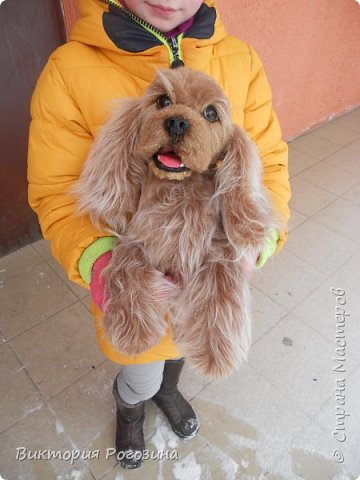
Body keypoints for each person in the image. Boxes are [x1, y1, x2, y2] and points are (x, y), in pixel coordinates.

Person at [28, 0, 291, 470]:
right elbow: (57, 193)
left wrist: (254, 245)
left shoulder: (243, 60)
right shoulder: (68, 69)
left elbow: (268, 162)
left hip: (207, 272)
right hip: (128, 281)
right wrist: (104, 264)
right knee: (140, 366)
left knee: (178, 360)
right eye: (165, 105)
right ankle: (129, 407)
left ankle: (168, 391)